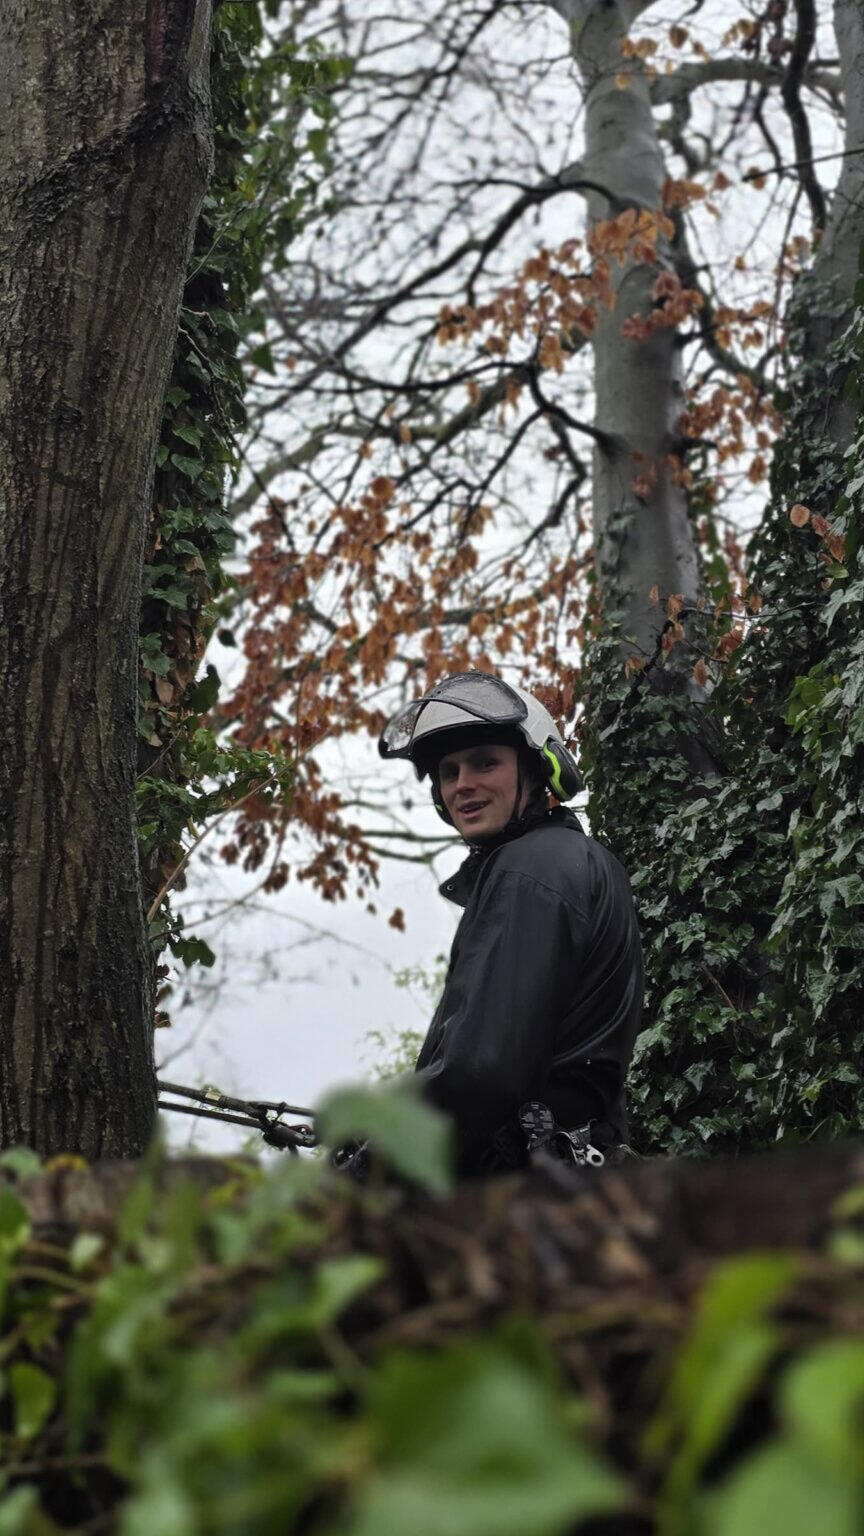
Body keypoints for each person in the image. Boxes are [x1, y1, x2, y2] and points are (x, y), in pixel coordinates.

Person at [378, 670, 644, 1175]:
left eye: (485, 763)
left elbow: (482, 1071)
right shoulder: (580, 860)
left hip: (520, 1194)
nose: (464, 785)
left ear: (535, 769)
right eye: (449, 772)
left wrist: (380, 1161)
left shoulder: (530, 866)